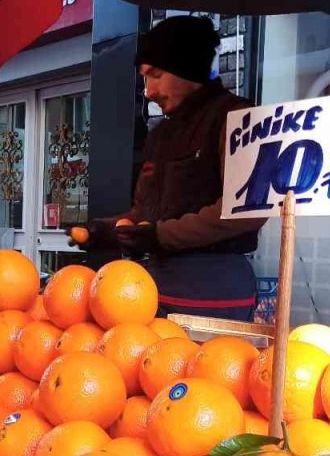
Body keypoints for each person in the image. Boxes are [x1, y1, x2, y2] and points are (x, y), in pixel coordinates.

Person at [68, 16, 266, 320]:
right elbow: (143, 214)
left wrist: (159, 235)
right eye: (145, 78)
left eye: (155, 74)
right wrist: (104, 230)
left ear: (186, 67)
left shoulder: (235, 117)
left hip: (215, 290)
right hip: (152, 287)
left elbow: (245, 211)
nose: (148, 91)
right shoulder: (160, 136)